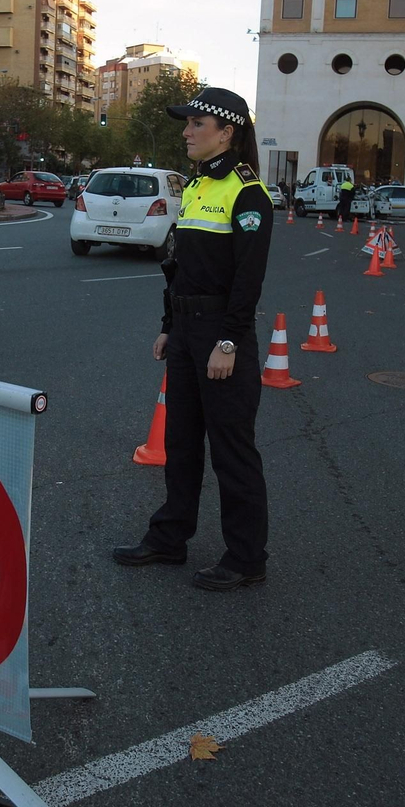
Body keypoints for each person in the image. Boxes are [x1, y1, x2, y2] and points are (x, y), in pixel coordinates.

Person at [112, 86, 270, 592]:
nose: (186, 132)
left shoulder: (247, 194)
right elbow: (180, 265)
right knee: (180, 443)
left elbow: (247, 279)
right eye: (187, 124)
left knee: (231, 450)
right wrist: (167, 324)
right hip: (184, 331)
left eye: (196, 124)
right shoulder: (198, 187)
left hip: (221, 334)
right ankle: (170, 537)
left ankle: (246, 557)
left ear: (227, 132)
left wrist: (229, 343)